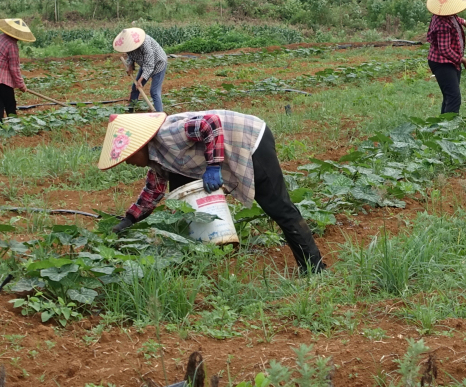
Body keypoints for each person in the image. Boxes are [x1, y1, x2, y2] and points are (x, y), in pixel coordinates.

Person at [99, 110, 326, 274]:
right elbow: (152, 192)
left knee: (277, 206)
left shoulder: (169, 133)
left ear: (140, 146)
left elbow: (210, 123)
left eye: (128, 157)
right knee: (182, 200)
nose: (128, 163)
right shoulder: (157, 160)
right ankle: (197, 262)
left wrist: (214, 165)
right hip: (222, 146)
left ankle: (314, 267)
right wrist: (127, 221)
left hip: (248, 139)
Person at [426, 0, 466, 114]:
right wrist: (463, 60)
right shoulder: (442, 22)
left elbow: (454, 19)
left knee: (449, 96)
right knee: (454, 98)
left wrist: (464, 21)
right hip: (442, 63)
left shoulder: (448, 14)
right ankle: (449, 129)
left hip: (451, 61)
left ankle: (443, 127)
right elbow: (445, 49)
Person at [0, 18, 34, 122]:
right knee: (10, 104)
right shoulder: (12, 45)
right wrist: (21, 85)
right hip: (1, 81)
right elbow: (14, 68)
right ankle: (14, 125)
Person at [114, 27, 168, 112]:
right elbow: (131, 56)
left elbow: (150, 64)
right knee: (135, 87)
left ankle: (159, 114)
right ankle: (131, 109)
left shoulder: (145, 43)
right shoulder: (128, 46)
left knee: (154, 91)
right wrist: (130, 65)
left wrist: (141, 79)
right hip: (145, 64)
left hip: (158, 63)